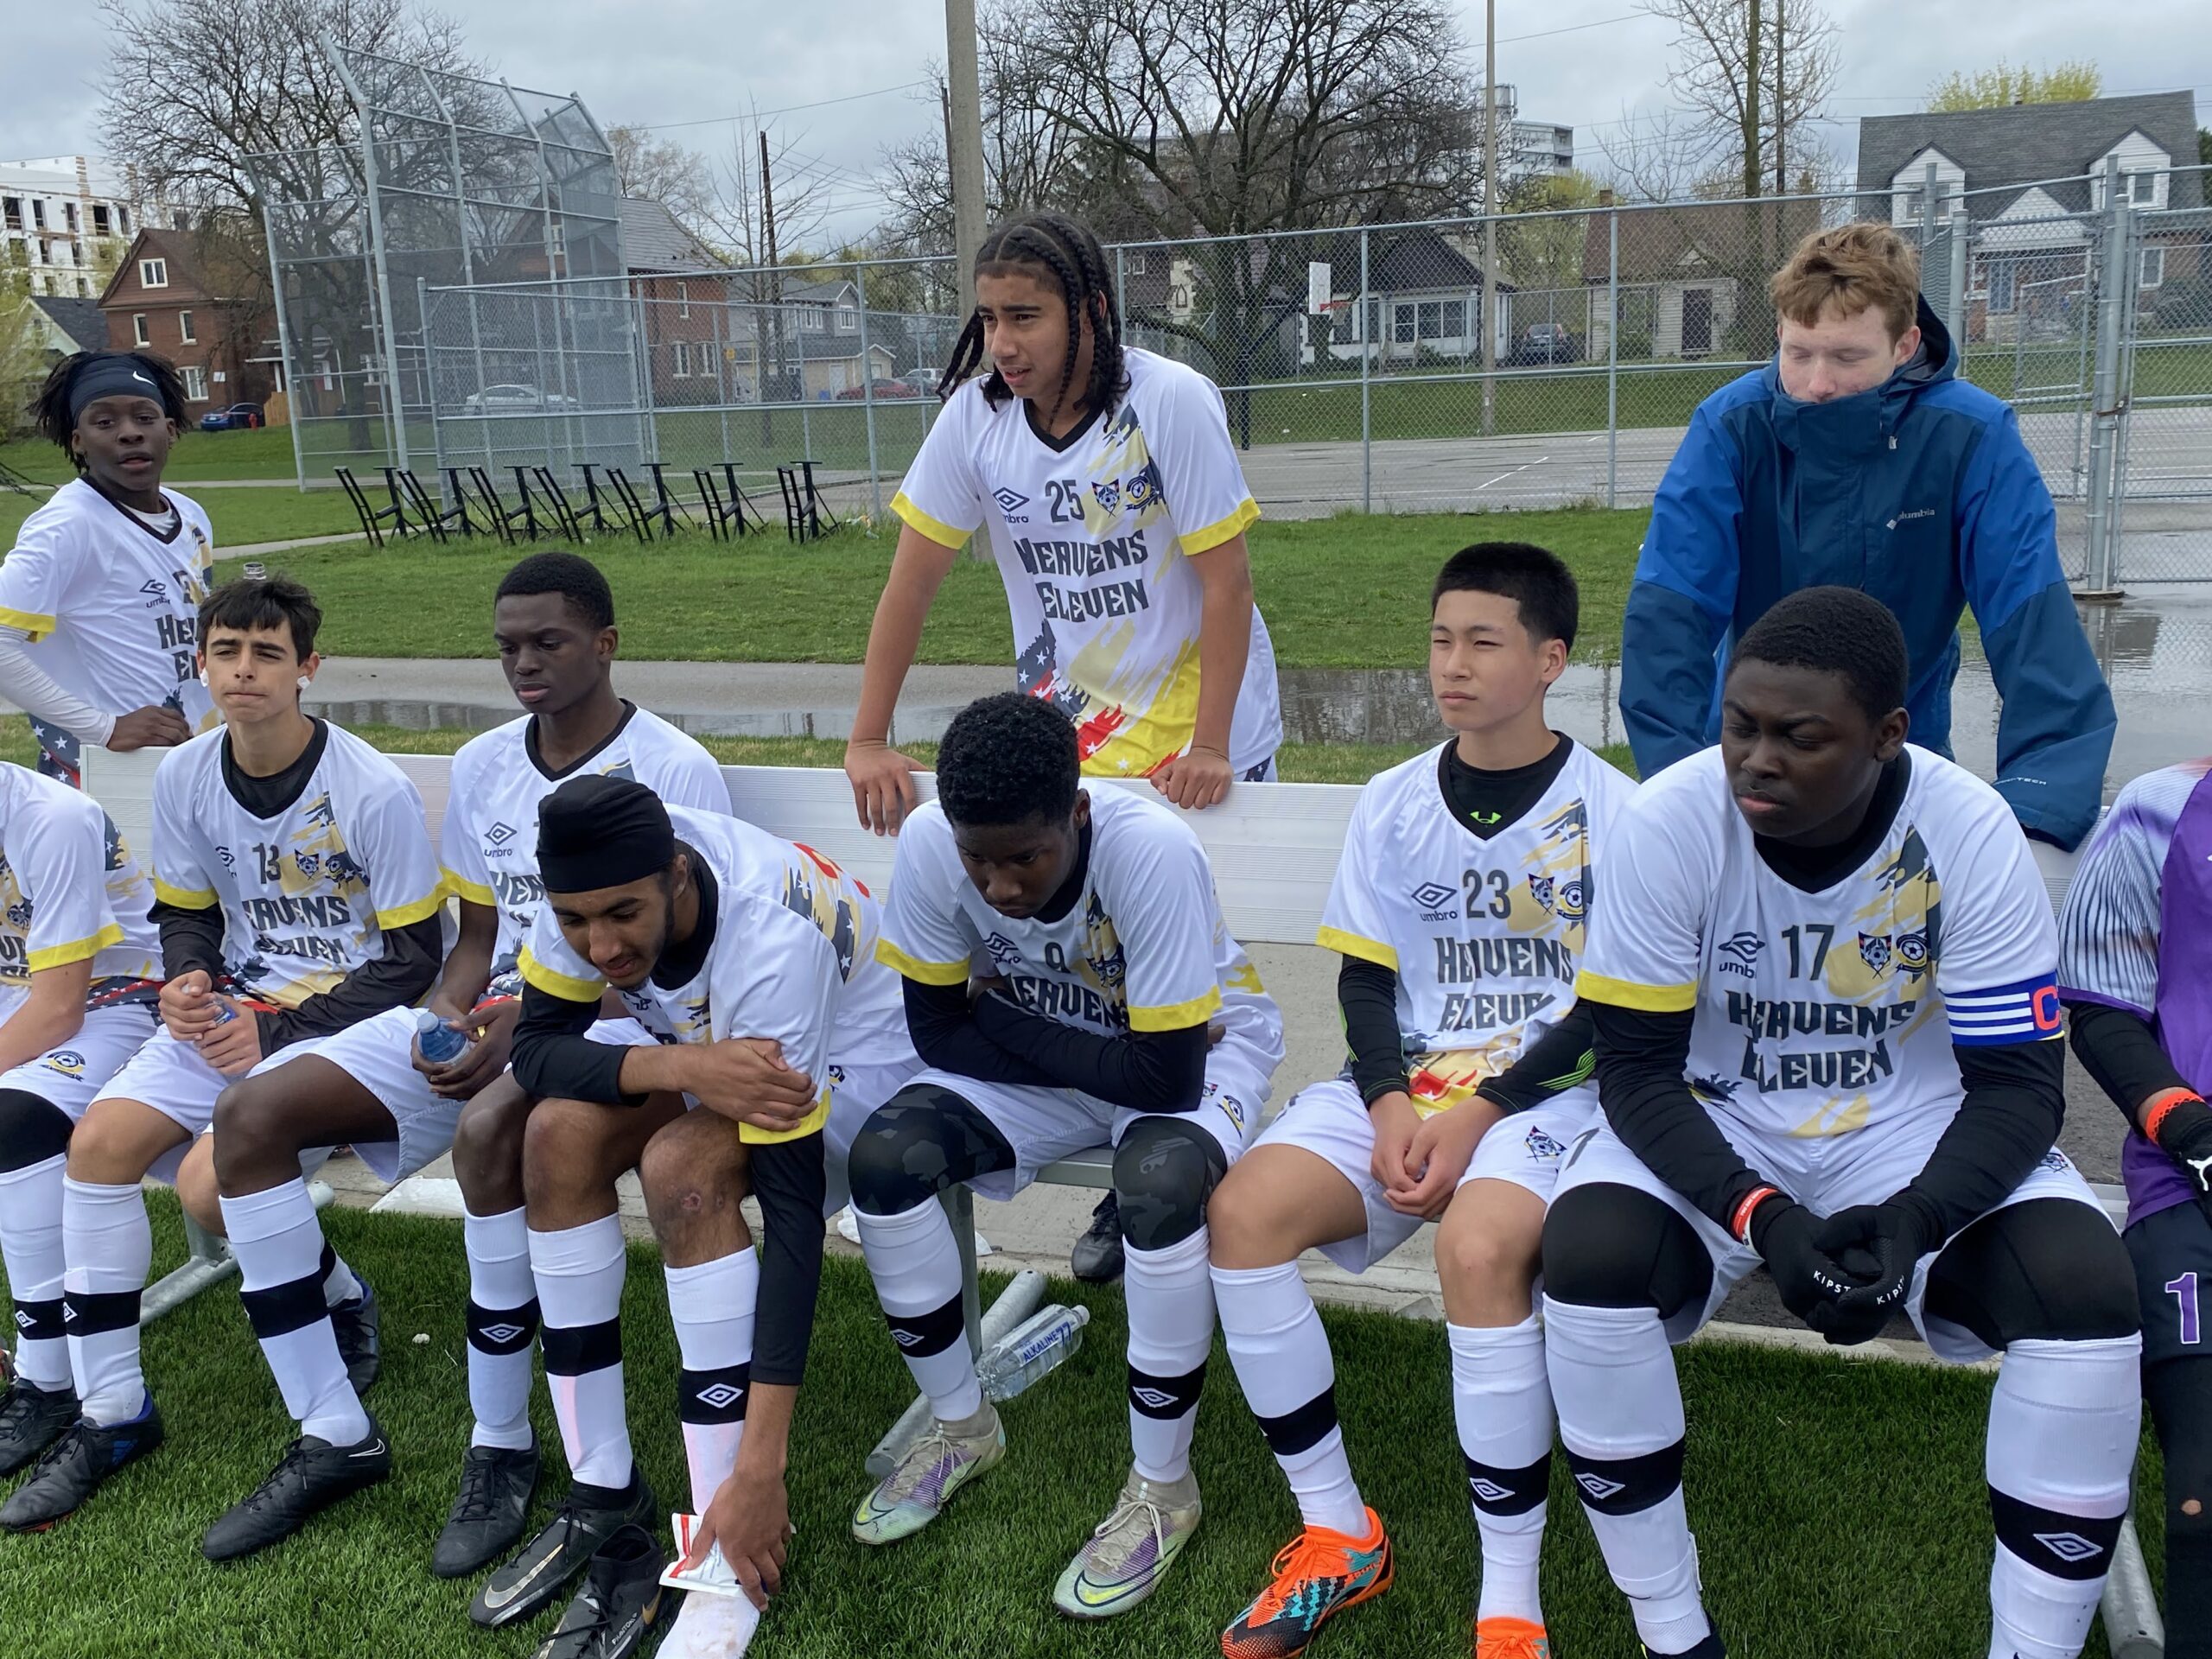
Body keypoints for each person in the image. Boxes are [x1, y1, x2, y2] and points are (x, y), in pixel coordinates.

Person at [1546, 586, 2141, 1659]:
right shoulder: (1670, 818)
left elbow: (2017, 1086)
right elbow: (1633, 1072)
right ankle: (1672, 1635)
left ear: (1886, 734)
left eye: (1797, 736)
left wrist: (1912, 1222)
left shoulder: (1966, 827)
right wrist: (1763, 1217)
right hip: (1720, 1120)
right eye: (1740, 725)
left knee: (2084, 1289)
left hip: (1915, 1125)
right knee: (1588, 1256)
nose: (1754, 759)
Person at [165, 552, 731, 1564]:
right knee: (247, 1121)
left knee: (487, 1132)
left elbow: (673, 947)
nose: (525, 661)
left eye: (548, 641)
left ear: (603, 644)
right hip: (494, 1016)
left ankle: (501, 1444)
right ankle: (332, 1433)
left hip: (614, 1017)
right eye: (509, 644)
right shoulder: (480, 764)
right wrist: (446, 1016)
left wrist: (521, 1029)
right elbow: (476, 937)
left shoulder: (673, 764)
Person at [1207, 543, 1635, 1659]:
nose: (1454, 664)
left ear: (1551, 660)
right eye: (1442, 639)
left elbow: (1614, 1013)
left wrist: (1479, 1112)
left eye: (1484, 642)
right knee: (1243, 1216)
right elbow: (1365, 975)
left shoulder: (1616, 812)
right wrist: (1392, 1103)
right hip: (1410, 1089)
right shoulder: (1394, 801)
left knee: (1479, 1253)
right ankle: (1340, 1534)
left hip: (1549, 1102)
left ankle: (1509, 1603)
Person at [845, 210, 1283, 1285]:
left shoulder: (1167, 400)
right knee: (1082, 967)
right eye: (988, 317)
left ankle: (1166, 1167)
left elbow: (1226, 584)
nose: (1003, 341)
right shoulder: (974, 419)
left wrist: (1214, 743)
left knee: (1180, 974)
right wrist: (867, 735)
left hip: (1193, 736)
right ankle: (1122, 1170)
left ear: (1088, 311)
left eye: (1026, 316)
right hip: (1070, 740)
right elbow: (913, 578)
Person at [0, 576, 447, 1539]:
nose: (244, 672)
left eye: (267, 654)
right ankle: (113, 1414)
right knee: (101, 1148)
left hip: (346, 1019)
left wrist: (279, 1032)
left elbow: (418, 958)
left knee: (209, 1190)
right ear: (199, 663)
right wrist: (189, 979)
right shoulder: (185, 773)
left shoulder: (369, 788)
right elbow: (187, 913)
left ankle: (340, 1299)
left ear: (306, 669)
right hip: (234, 1009)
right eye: (226, 651)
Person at [848, 691, 1284, 1618]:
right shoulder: (931, 844)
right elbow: (934, 1033)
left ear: (1077, 814)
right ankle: (962, 1428)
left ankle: (1163, 1490)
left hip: (1201, 1049)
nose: (1000, 886)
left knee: (1161, 1183)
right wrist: (1028, 1031)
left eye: (1026, 857)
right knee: (888, 1158)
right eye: (980, 860)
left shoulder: (1147, 849)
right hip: (1073, 1047)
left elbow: (1164, 1079)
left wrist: (998, 1010)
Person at [505, 775, 919, 1659]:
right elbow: (537, 1049)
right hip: (710, 1043)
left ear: (679, 877)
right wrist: (682, 1066)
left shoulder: (769, 941)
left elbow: (797, 1217)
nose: (599, 944)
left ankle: (722, 1525)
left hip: (866, 1064)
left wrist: (765, 1468)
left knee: (683, 1169)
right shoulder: (587, 883)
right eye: (577, 923)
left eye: (622, 915)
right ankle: (601, 1492)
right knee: (552, 1139)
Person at [1618, 221, 2114, 852]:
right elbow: (1669, 619)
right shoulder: (1731, 427)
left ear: (1905, 344)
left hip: (1903, 758)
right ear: (1778, 334)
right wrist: (1683, 798)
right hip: (1755, 761)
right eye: (1798, 353)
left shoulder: (1972, 437)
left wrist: (2039, 814)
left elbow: (2036, 633)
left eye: (1847, 356)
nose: (1818, 382)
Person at [2058, 764, 2212, 1657]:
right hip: (2187, 1185)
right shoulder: (2159, 811)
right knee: (2199, 1500)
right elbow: (2101, 1009)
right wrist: (2189, 1129)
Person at [0, 765, 164, 1474]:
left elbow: (57, 1007)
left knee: (12, 1118)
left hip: (115, 1002)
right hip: (22, 1003)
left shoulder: (51, 818)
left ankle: (46, 1381)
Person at [2, 350, 216, 787]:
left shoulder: (191, 516)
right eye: (105, 423)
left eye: (145, 417)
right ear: (78, 440)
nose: (129, 434)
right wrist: (105, 727)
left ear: (170, 431)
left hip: (192, 760)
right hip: (109, 776)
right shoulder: (66, 527)